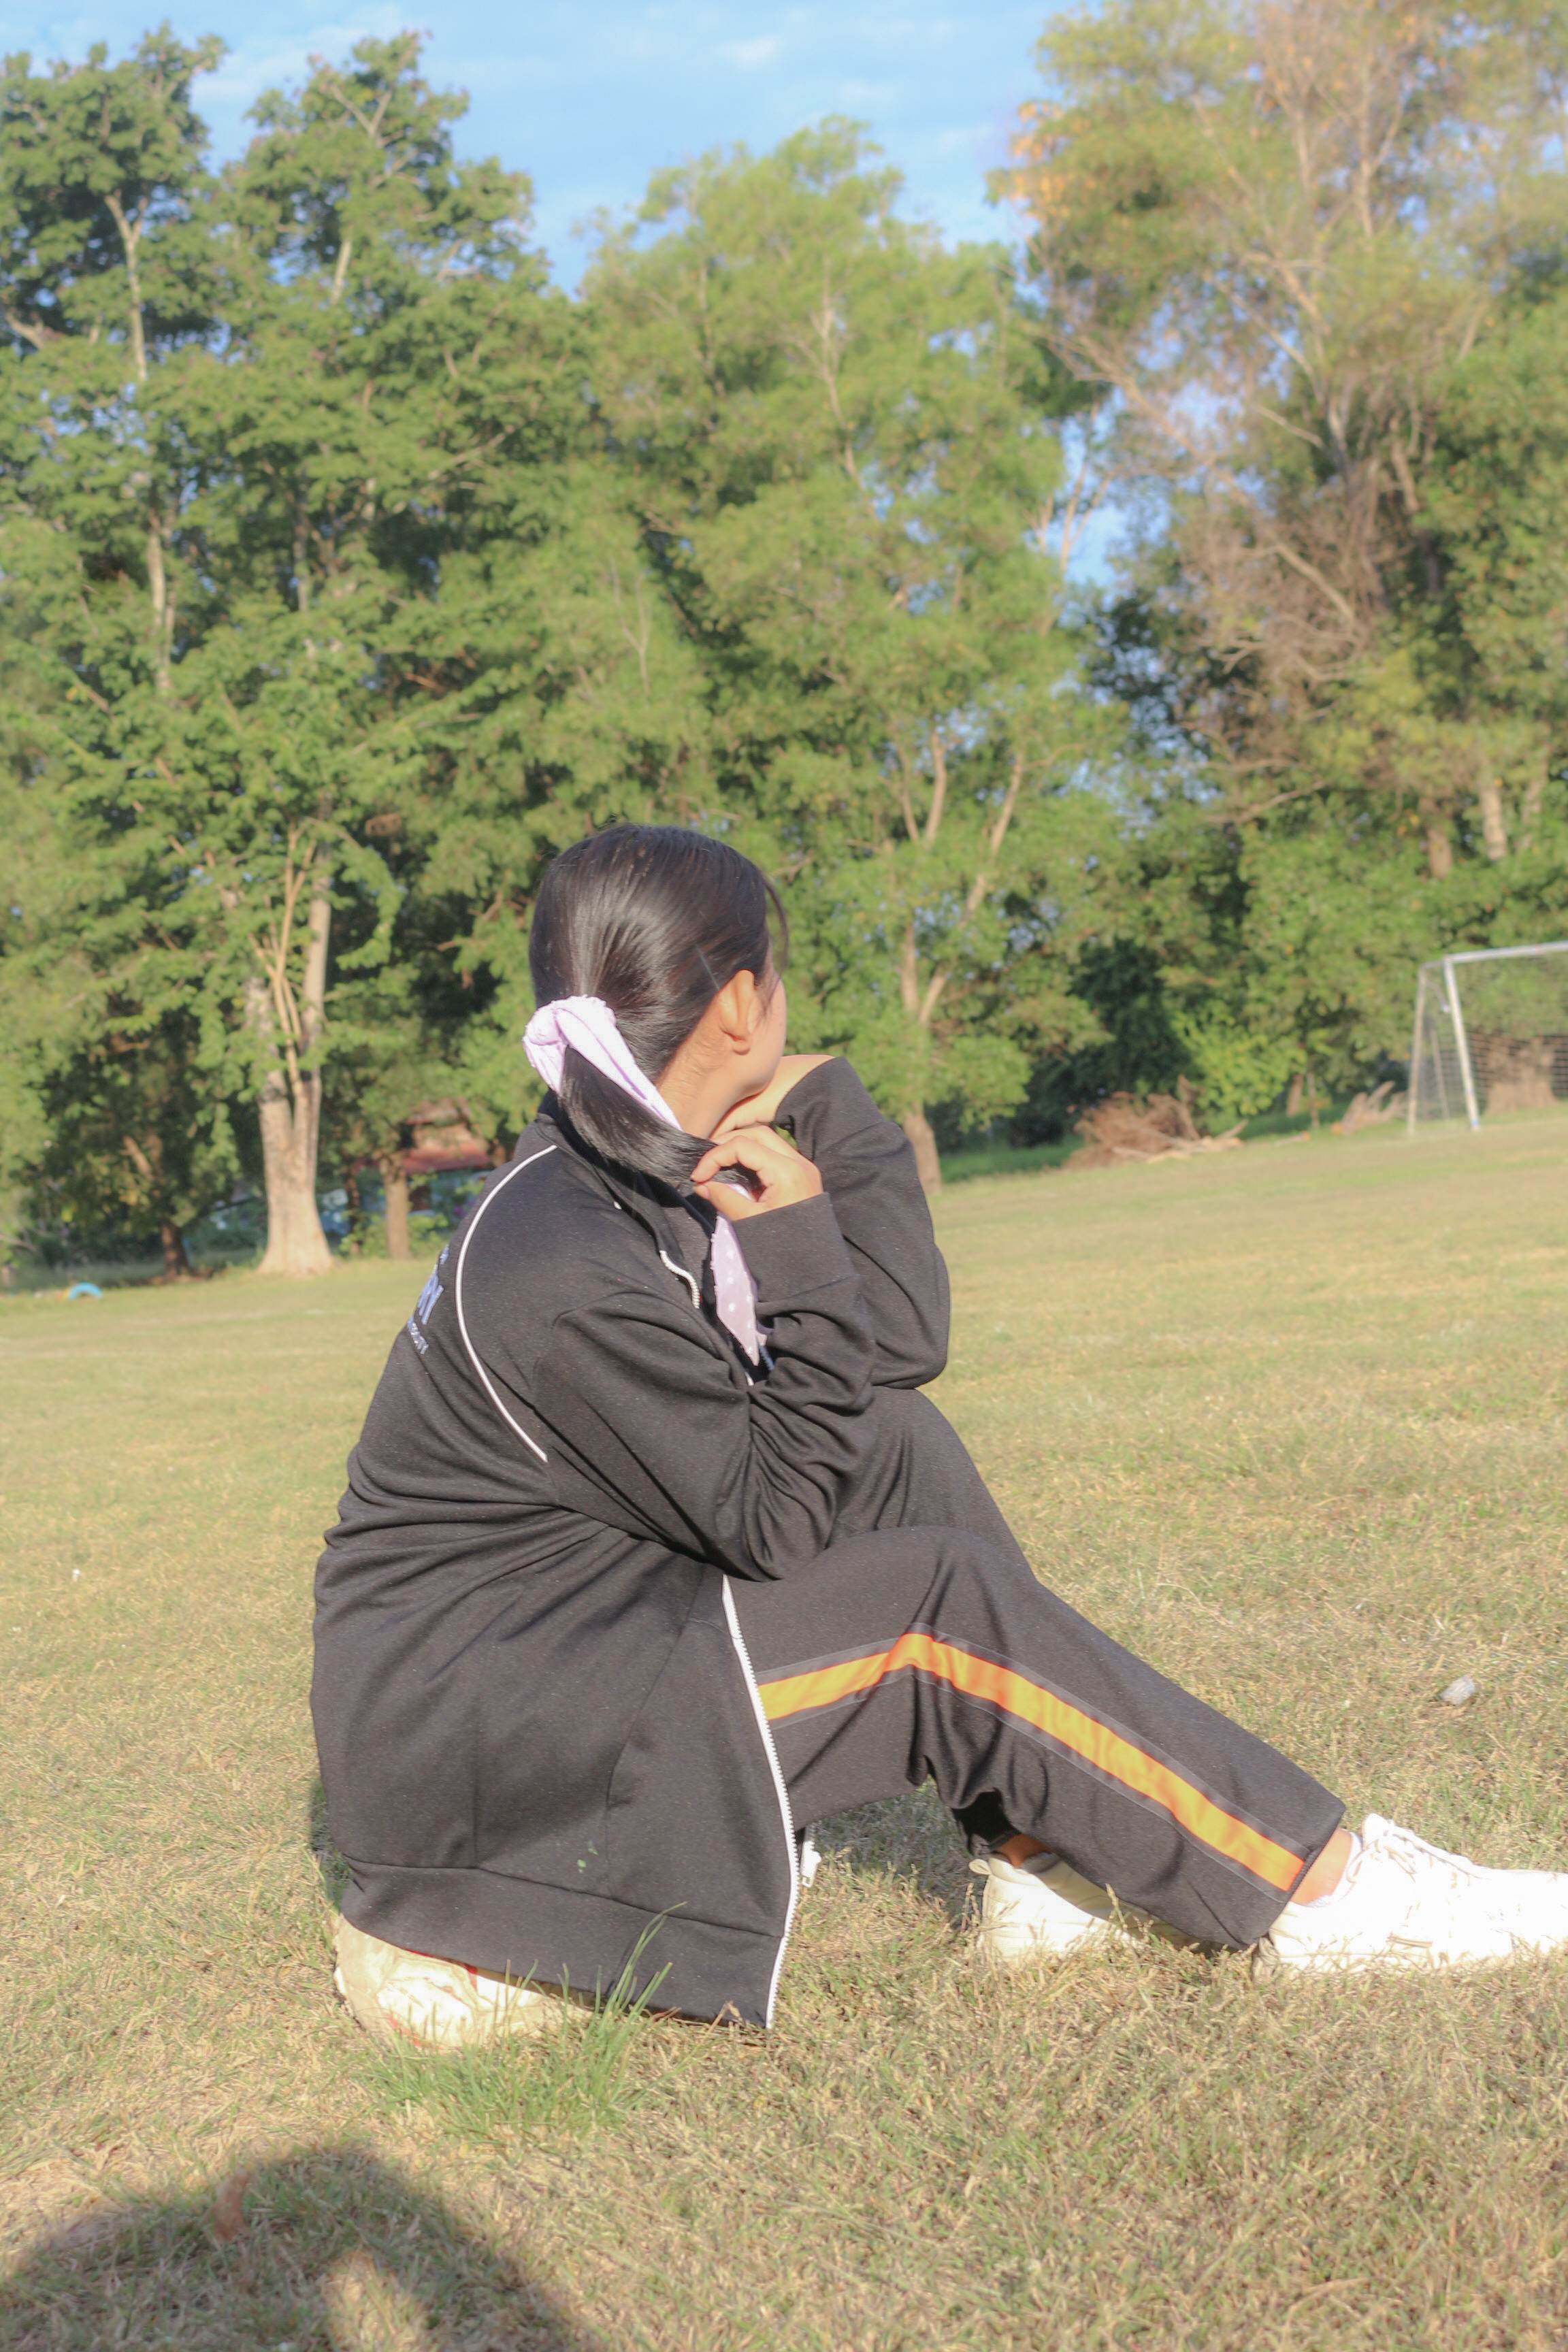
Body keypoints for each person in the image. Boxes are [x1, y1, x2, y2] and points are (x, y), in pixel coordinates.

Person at [314, 825, 1568, 2049]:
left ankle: (1036, 1859)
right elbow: (775, 1520)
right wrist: (797, 1248)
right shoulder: (563, 1255)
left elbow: (897, 1346)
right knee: (933, 1615)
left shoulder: (626, 1170)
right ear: (740, 1002)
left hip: (563, 1650)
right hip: (487, 1748)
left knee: (896, 1443)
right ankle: (1326, 1892)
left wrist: (828, 1106)